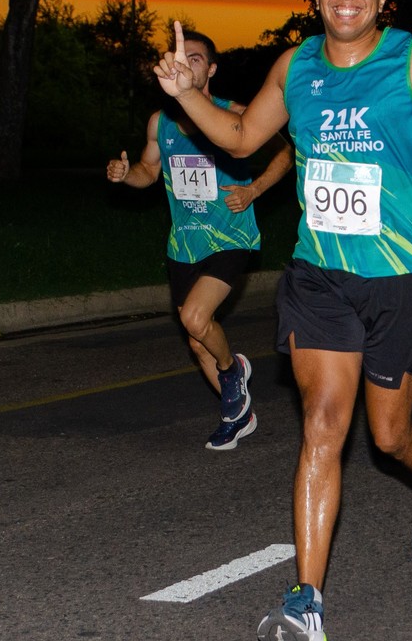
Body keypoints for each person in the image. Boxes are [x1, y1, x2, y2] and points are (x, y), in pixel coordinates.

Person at [154, 0, 412, 641]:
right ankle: (306, 601)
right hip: (321, 274)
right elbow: (242, 139)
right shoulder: (294, 66)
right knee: (324, 425)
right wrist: (186, 96)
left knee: (391, 437)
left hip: (402, 276)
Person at [106, 28, 291, 450]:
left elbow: (286, 152)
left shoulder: (238, 115)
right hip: (184, 244)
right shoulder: (161, 123)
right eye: (178, 56)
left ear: (210, 69)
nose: (184, 62)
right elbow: (148, 171)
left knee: (194, 318)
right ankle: (238, 412)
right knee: (197, 336)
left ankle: (232, 372)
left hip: (231, 238)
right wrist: (125, 176)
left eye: (195, 57)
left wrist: (256, 189)